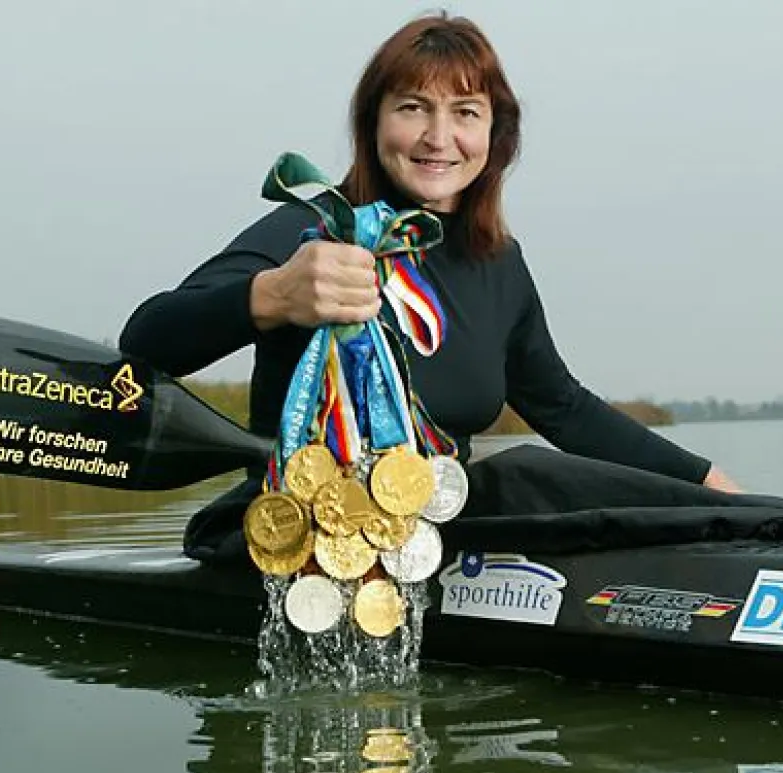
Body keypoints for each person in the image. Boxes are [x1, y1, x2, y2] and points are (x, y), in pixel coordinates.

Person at [119, 12, 741, 564]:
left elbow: (563, 407)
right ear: (373, 123)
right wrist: (272, 296)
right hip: (298, 536)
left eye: (465, 113)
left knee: (537, 477)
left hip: (439, 532)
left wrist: (705, 484)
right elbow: (148, 340)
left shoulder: (498, 262)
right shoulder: (308, 231)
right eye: (413, 107)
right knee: (530, 477)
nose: (439, 139)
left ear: (495, 136)